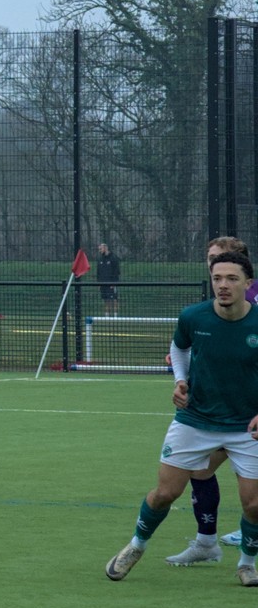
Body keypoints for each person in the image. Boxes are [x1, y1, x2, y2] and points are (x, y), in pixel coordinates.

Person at [104, 249, 258, 586]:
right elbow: (179, 348)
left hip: (247, 427)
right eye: (217, 278)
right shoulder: (193, 317)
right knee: (163, 494)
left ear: (248, 283)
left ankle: (247, 563)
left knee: (254, 504)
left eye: (232, 278)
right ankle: (135, 546)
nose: (223, 285)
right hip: (194, 421)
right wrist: (180, 380)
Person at [168, 235, 254, 563]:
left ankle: (218, 543)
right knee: (200, 470)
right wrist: (183, 376)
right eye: (210, 261)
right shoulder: (211, 306)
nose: (212, 266)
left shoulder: (249, 303)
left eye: (219, 259)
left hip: (244, 412)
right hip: (219, 409)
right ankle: (207, 543)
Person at [95, 243, 121, 316]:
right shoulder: (100, 259)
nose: (100, 251)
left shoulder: (113, 258)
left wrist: (114, 283)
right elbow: (98, 272)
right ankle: (107, 315)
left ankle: (115, 315)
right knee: (106, 299)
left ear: (105, 248)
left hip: (111, 283)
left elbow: (116, 271)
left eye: (101, 249)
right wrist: (99, 283)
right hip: (103, 283)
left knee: (114, 299)